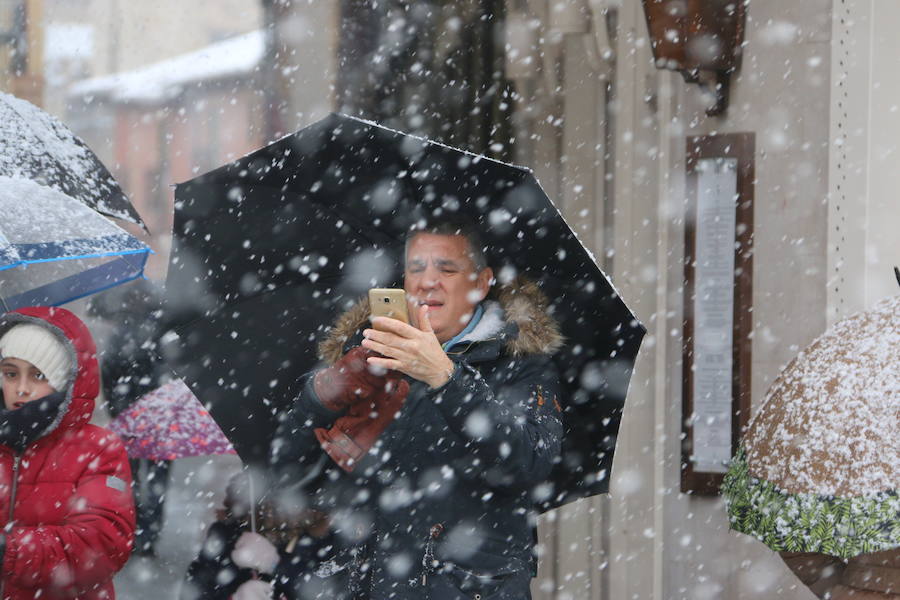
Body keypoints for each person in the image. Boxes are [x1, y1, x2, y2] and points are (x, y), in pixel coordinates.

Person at [272, 217, 565, 599]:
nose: (428, 281)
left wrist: (446, 377)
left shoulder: (520, 362)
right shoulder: (368, 353)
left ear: (480, 282)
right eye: (416, 269)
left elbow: (530, 463)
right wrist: (319, 399)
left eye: (447, 268)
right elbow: (286, 470)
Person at [0, 306, 136, 599]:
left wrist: (9, 552)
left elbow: (103, 545)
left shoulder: (99, 448)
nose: (21, 388)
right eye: (10, 373)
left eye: (38, 375)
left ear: (64, 381)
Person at [94, 280, 172, 556]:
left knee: (133, 478)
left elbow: (110, 375)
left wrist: (119, 410)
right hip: (157, 419)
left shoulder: (123, 334)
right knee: (152, 480)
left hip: (136, 418)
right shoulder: (163, 329)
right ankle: (146, 536)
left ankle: (137, 531)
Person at [181, 472, 347, 600]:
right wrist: (233, 596)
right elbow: (196, 588)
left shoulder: (324, 540)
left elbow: (328, 589)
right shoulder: (228, 533)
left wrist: (275, 563)